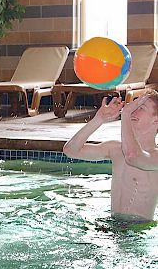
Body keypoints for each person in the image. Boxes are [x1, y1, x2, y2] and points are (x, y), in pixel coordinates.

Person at [63, 91, 158, 222]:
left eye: (140, 108)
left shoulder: (155, 156)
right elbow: (70, 150)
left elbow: (132, 156)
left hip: (137, 230)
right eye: (133, 106)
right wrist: (99, 119)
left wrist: (125, 114)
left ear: (156, 120)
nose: (132, 111)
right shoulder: (115, 149)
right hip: (112, 225)